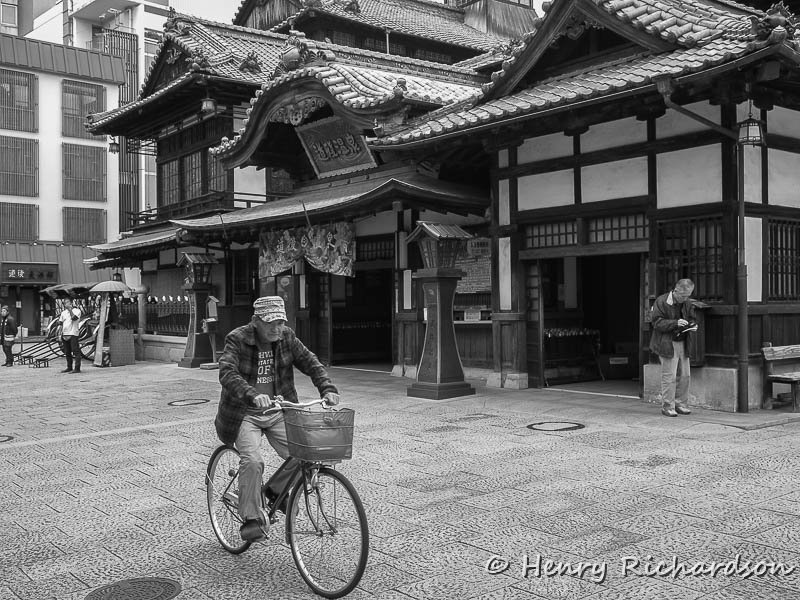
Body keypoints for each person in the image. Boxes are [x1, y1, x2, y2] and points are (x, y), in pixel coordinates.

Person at [216, 296, 339, 542]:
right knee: (253, 461)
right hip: (245, 414)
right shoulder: (237, 338)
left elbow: (311, 362)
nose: (277, 328)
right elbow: (227, 371)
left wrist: (327, 388)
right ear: (255, 321)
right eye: (270, 323)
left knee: (305, 452)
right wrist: (251, 394)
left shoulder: (287, 337)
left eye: (281, 322)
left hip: (278, 410)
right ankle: (251, 518)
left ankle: (274, 491)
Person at [649, 278, 698, 417]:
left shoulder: (687, 303)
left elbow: (692, 317)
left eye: (688, 295)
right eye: (683, 296)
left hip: (683, 341)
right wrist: (675, 323)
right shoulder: (662, 301)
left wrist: (692, 325)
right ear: (676, 290)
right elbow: (656, 323)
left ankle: (681, 404)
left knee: (685, 375)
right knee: (669, 376)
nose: (685, 298)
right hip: (666, 342)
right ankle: (667, 406)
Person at [58, 299, 82, 374]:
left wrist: (70, 310)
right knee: (67, 352)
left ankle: (77, 368)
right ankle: (69, 367)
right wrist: (60, 334)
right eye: (65, 303)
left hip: (73, 333)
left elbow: (74, 318)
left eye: (67, 302)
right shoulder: (63, 313)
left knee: (75, 351)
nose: (66, 304)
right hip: (65, 333)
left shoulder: (77, 311)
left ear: (71, 303)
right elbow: (61, 323)